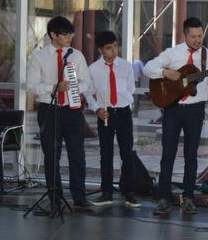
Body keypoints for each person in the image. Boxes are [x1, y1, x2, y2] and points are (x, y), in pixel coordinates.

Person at [143, 17, 208, 215]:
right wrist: (165, 72)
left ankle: (188, 197)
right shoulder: (173, 53)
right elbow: (148, 68)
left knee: (191, 154)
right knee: (167, 154)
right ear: (185, 35)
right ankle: (164, 198)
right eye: (193, 36)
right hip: (172, 108)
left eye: (200, 36)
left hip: (195, 110)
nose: (197, 40)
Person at [26, 16, 93, 211]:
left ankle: (79, 197)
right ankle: (55, 196)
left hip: (72, 110)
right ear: (53, 35)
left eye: (70, 33)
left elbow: (86, 82)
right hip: (49, 109)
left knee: (77, 154)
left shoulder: (76, 55)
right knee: (51, 155)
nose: (69, 37)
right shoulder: (39, 57)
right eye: (64, 34)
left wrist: (75, 88)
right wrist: (53, 87)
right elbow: (31, 86)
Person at [85, 31, 141, 208]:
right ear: (101, 50)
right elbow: (88, 93)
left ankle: (129, 192)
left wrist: (122, 101)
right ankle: (106, 192)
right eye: (109, 48)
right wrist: (97, 109)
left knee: (127, 153)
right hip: (105, 115)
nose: (114, 51)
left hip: (123, 113)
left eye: (115, 46)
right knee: (106, 154)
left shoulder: (126, 66)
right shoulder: (93, 69)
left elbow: (131, 89)